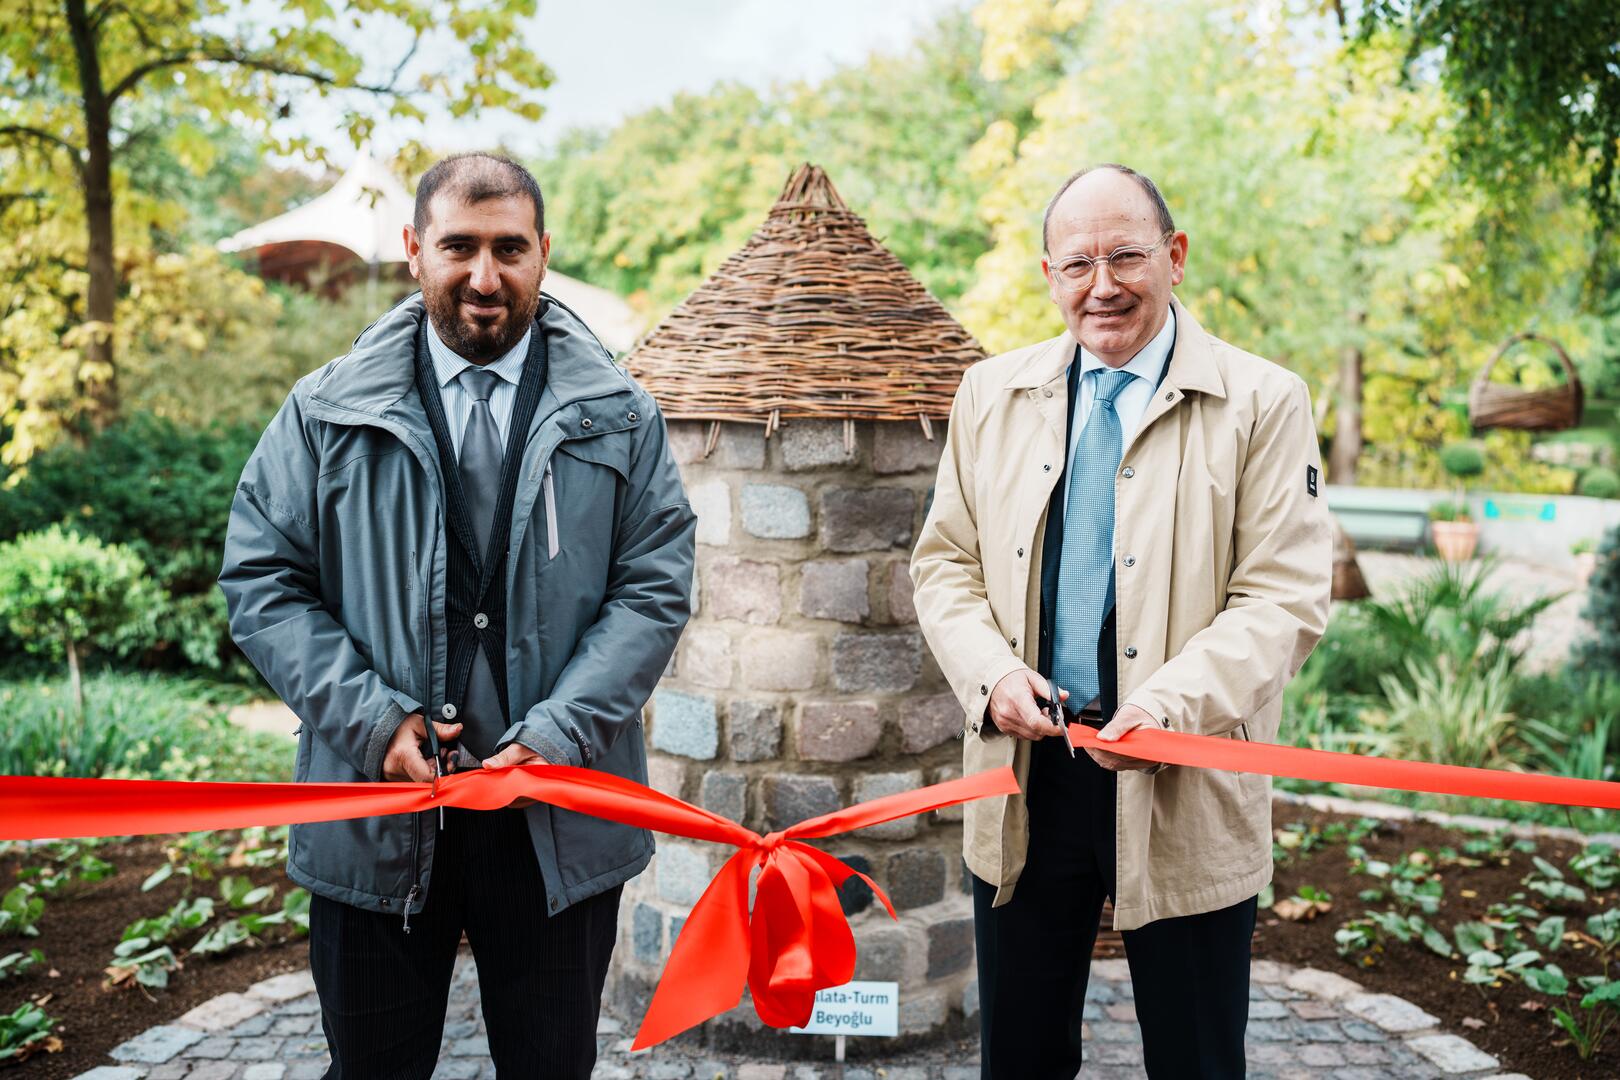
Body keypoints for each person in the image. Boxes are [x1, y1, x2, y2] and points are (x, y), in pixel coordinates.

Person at [220, 152, 696, 1079]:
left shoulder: (623, 415)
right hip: (377, 812)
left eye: (510, 248)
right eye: (460, 247)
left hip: (555, 814)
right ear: (414, 250)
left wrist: (557, 734)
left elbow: (654, 588)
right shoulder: (323, 412)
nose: (486, 277)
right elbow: (263, 580)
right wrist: (375, 721)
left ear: (543, 253)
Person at [909, 163, 1331, 1079]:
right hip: (1024, 771)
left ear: (1174, 257)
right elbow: (945, 566)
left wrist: (1169, 711)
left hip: (1184, 777)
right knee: (1019, 1056)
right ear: (1049, 275)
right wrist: (992, 678)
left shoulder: (1264, 400)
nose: (1103, 286)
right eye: (1078, 264)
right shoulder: (990, 393)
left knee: (1194, 1057)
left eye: (1127, 257)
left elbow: (1284, 597)